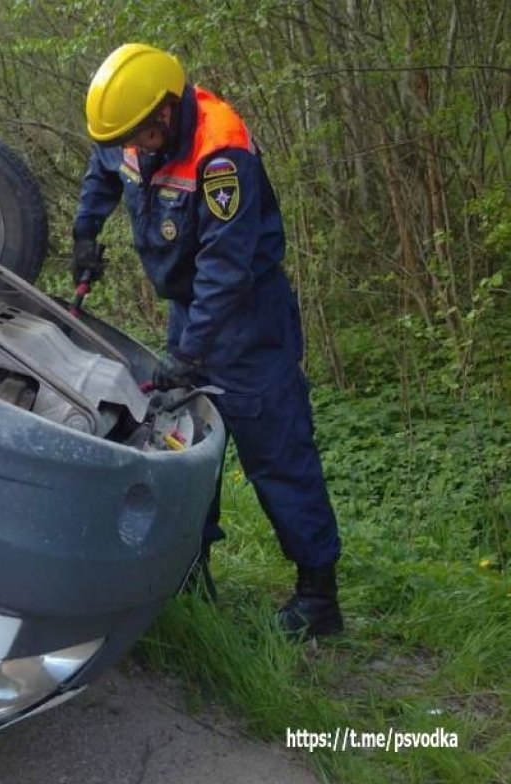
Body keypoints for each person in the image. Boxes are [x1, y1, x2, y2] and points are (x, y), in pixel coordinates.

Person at [72, 43, 343, 637]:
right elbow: (103, 166)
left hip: (246, 318)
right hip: (190, 310)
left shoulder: (220, 154)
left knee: (276, 450)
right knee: (190, 444)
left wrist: (190, 355)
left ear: (166, 114)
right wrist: (86, 233)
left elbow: (226, 267)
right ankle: (193, 572)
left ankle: (318, 598)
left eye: (138, 136)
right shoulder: (131, 127)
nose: (131, 149)